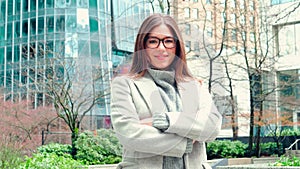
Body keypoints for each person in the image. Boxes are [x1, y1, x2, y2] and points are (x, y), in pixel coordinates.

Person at [110, 13, 222, 169]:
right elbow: (129, 134)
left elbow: (212, 127)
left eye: (168, 41)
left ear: (177, 46)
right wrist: (188, 138)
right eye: (153, 41)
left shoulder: (195, 85)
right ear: (143, 46)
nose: (161, 48)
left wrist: (164, 121)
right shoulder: (124, 85)